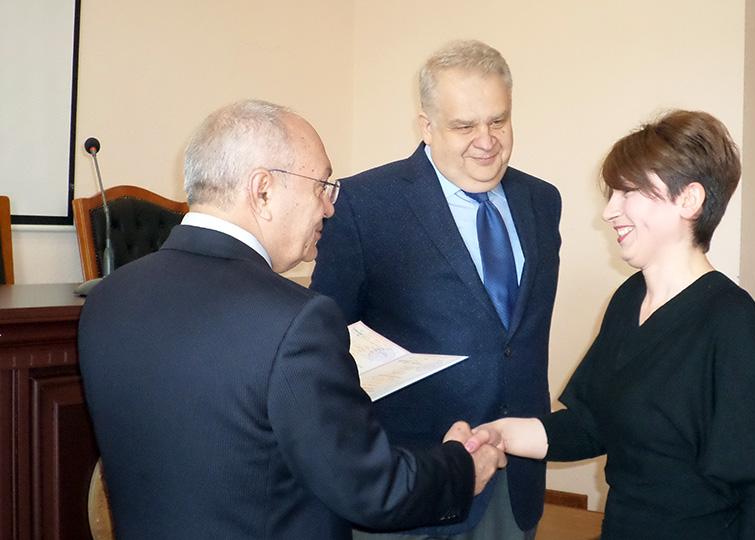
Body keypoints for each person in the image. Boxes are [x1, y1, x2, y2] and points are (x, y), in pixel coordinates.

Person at [78, 99, 506, 540]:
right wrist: (461, 467)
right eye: (321, 186)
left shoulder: (107, 299)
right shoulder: (296, 321)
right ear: (262, 190)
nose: (329, 208)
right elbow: (371, 490)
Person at [476, 110, 755, 539]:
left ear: (688, 200)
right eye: (611, 194)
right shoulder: (628, 300)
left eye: (628, 191)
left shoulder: (731, 322)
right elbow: (590, 426)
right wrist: (500, 434)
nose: (609, 211)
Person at [311, 40, 561, 539]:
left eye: (498, 120)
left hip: (514, 478)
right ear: (426, 126)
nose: (486, 141)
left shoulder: (541, 200)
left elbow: (517, 340)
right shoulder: (362, 204)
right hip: (412, 478)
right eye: (464, 126)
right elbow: (324, 343)